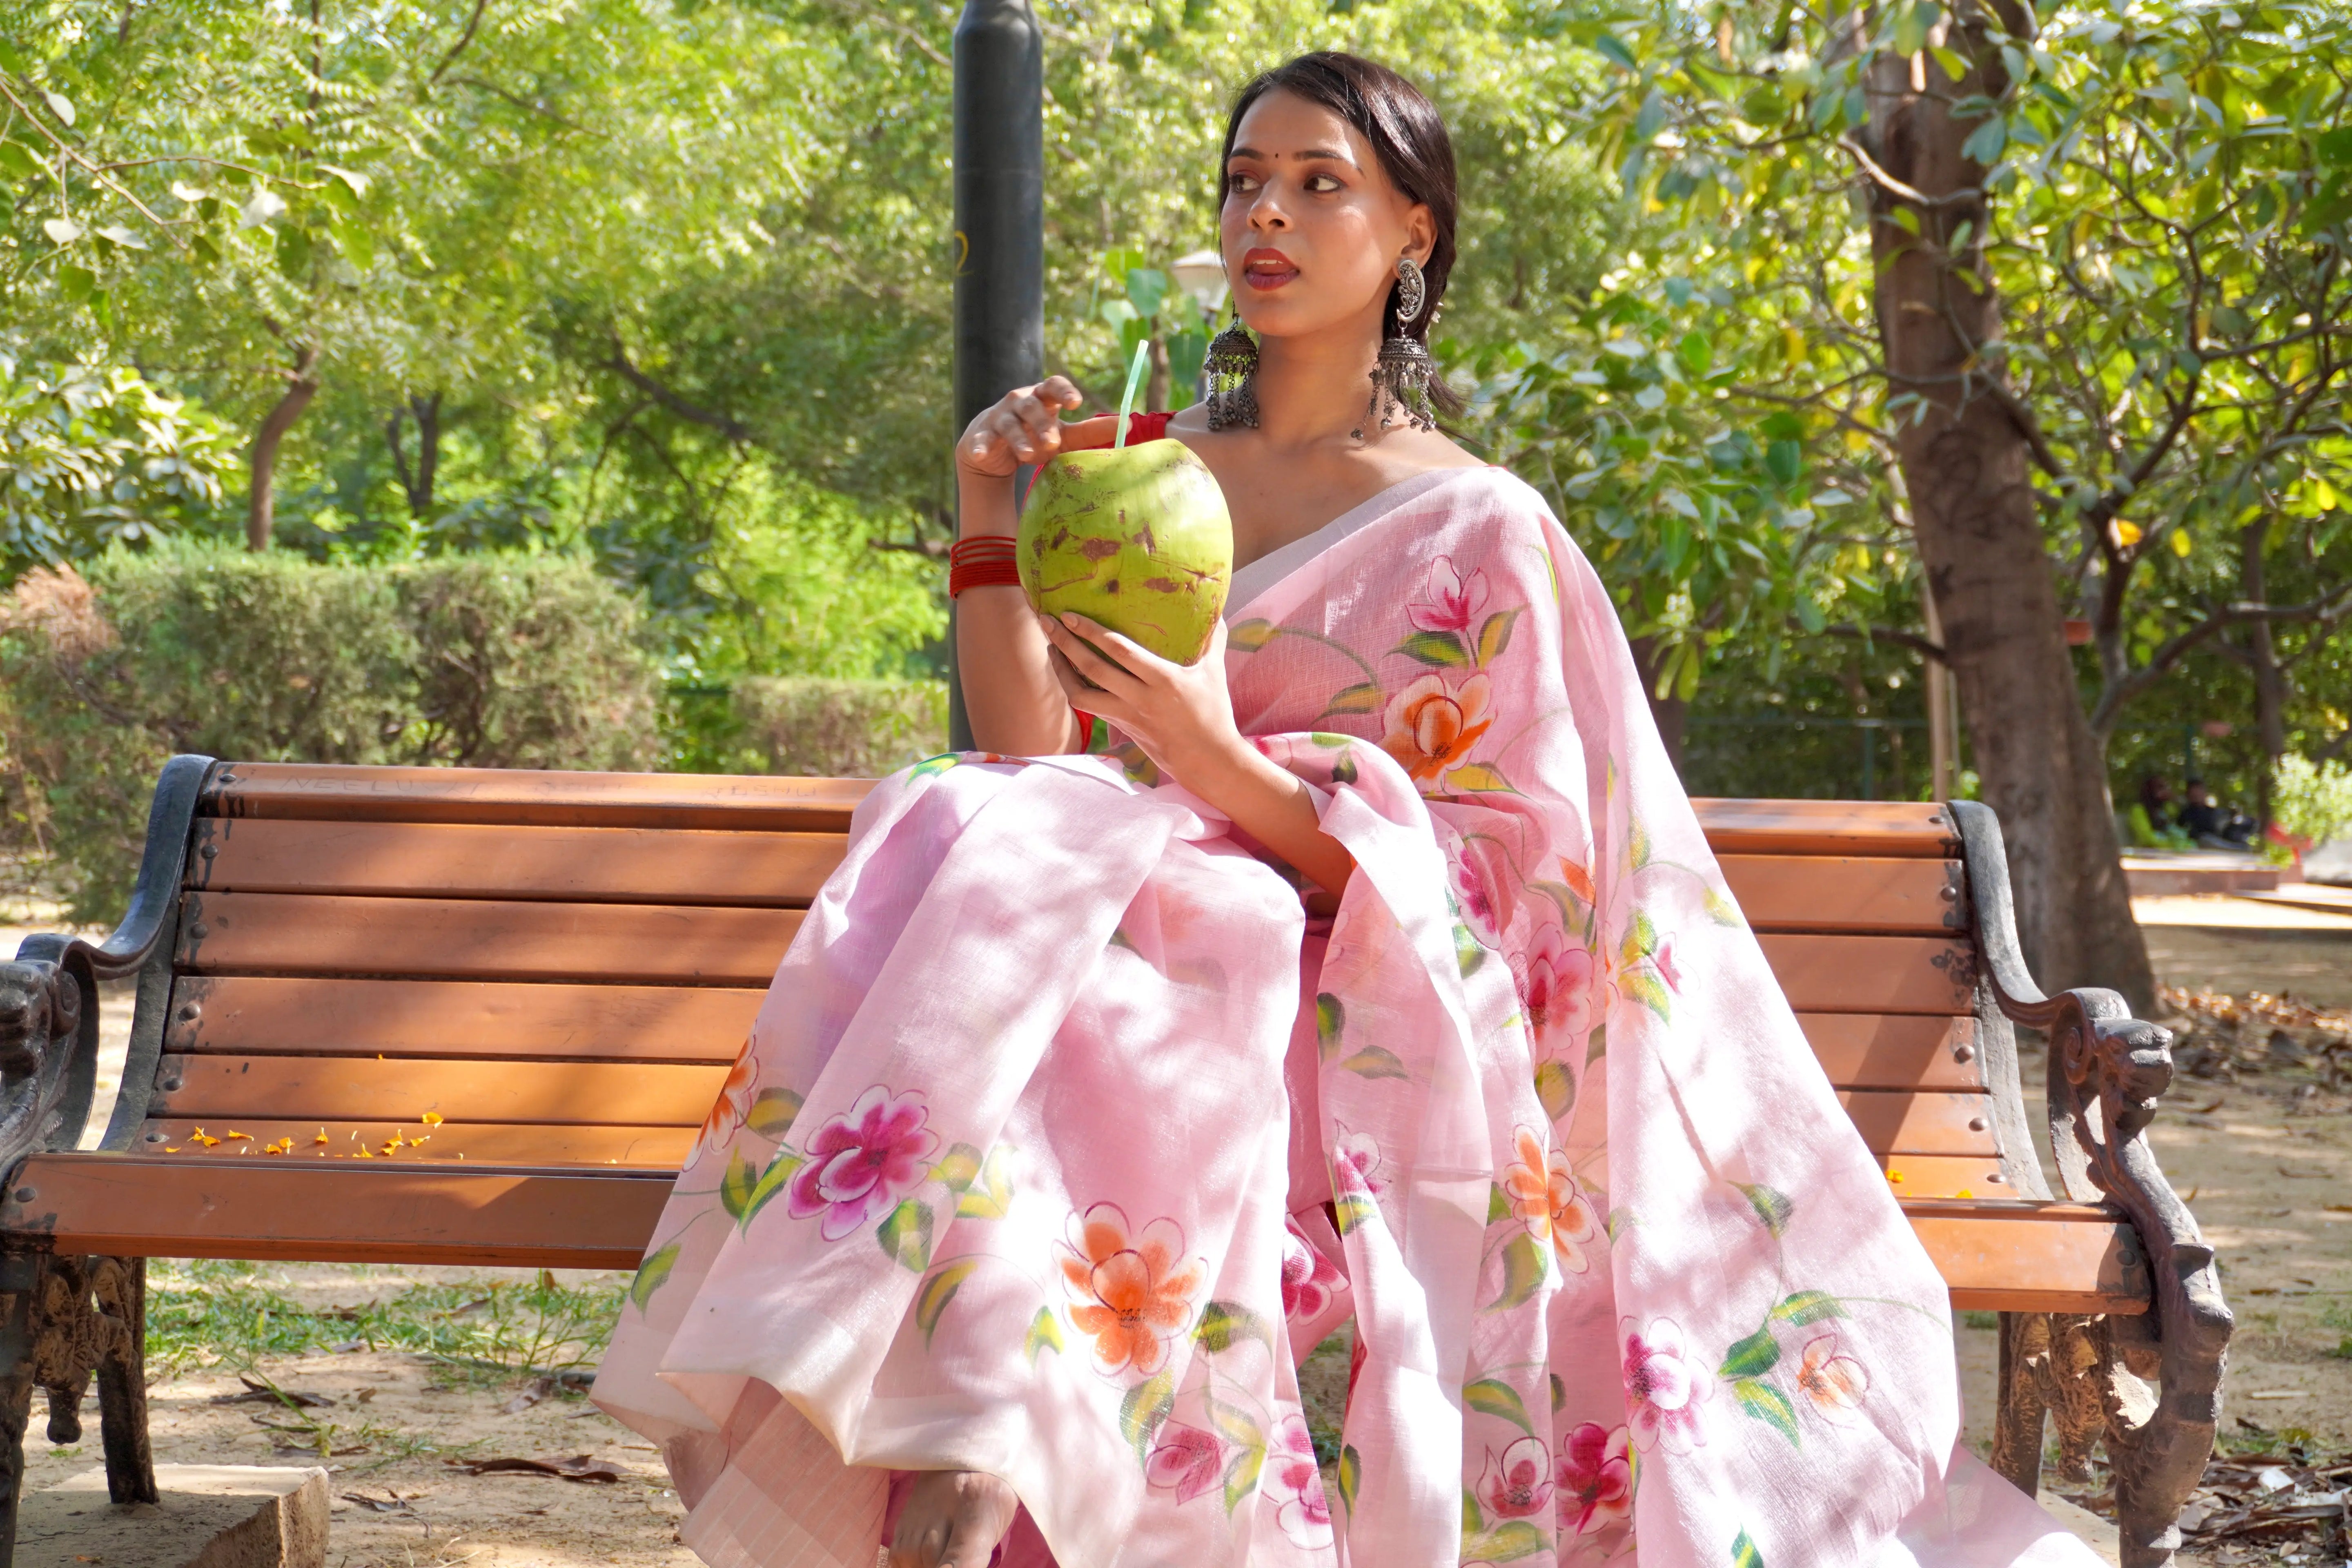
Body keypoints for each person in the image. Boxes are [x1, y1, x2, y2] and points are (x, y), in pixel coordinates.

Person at [593, 53, 2105, 1568]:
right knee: (974, 824)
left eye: (1320, 183)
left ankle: (988, 1439)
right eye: (1246, 179)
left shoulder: (1477, 525)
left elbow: (1485, 886)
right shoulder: (1149, 470)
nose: (1269, 213)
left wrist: (1209, 756)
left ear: (1412, 234)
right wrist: (989, 523)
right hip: (1114, 972)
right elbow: (1034, 748)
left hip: (1345, 1026)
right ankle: (982, 1433)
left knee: (1221, 922)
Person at [2178, 778, 2256, 849]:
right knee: (2205, 839)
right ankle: (2236, 848)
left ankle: (2241, 847)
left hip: (2221, 839)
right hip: (2204, 842)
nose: (2197, 794)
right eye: (2194, 792)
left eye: (2199, 791)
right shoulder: (2186, 814)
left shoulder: (2213, 811)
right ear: (2188, 794)